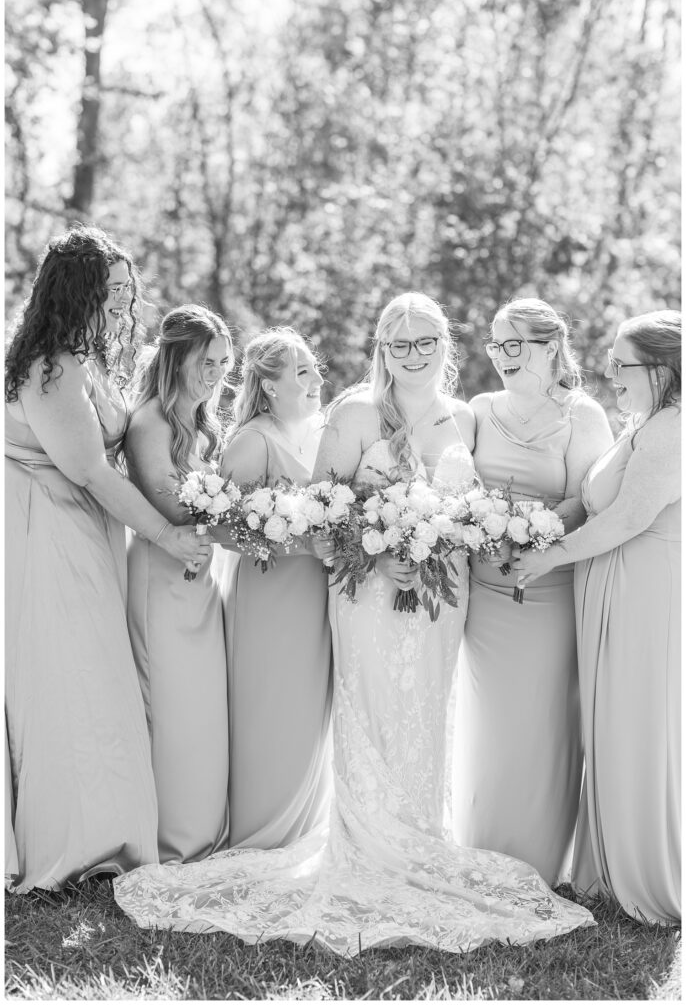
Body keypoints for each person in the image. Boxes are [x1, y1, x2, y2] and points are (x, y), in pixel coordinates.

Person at [113, 293, 594, 955]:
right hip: (365, 589)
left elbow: (467, 504)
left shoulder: (465, 419)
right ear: (380, 350)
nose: (414, 355)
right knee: (368, 713)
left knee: (427, 712)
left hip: (440, 593)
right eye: (400, 344)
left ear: (445, 346)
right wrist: (381, 546)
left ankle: (420, 831)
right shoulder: (352, 410)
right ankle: (362, 839)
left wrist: (434, 540)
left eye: (427, 342)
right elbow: (323, 504)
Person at [4, 226, 209, 892]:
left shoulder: (85, 361)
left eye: (129, 291)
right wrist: (167, 535)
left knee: (97, 677)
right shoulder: (52, 368)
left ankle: (109, 833)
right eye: (113, 291)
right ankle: (73, 845)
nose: (126, 303)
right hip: (48, 534)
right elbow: (93, 471)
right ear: (78, 292)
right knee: (69, 680)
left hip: (85, 532)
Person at [514, 310, 681, 925]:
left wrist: (544, 560)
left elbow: (624, 520)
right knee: (609, 720)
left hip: (643, 593)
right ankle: (608, 867)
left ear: (662, 369)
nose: (611, 374)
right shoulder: (646, 423)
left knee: (636, 723)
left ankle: (648, 874)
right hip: (613, 583)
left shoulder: (672, 430)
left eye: (622, 364)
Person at [451, 297, 613, 886]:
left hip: (550, 590)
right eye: (496, 345)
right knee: (489, 722)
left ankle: (538, 863)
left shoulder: (583, 414)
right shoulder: (480, 408)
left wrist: (535, 535)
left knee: (541, 722)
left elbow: (581, 501)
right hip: (485, 592)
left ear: (550, 346)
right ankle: (482, 850)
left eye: (514, 344)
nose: (502, 357)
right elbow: (454, 481)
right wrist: (480, 524)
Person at [125, 305, 233, 863]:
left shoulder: (206, 428)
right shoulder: (149, 423)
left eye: (221, 363)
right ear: (175, 356)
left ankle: (203, 829)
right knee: (170, 706)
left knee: (204, 706)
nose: (215, 373)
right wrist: (250, 520)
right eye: (205, 361)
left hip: (200, 578)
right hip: (159, 578)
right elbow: (172, 505)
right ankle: (168, 838)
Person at [218, 327, 333, 848]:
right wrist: (300, 548)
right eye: (302, 371)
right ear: (268, 385)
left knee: (308, 714)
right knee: (270, 709)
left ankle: (303, 831)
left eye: (314, 370)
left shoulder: (318, 434)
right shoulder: (251, 441)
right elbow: (222, 528)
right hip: (271, 600)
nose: (316, 381)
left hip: (315, 597)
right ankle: (260, 833)